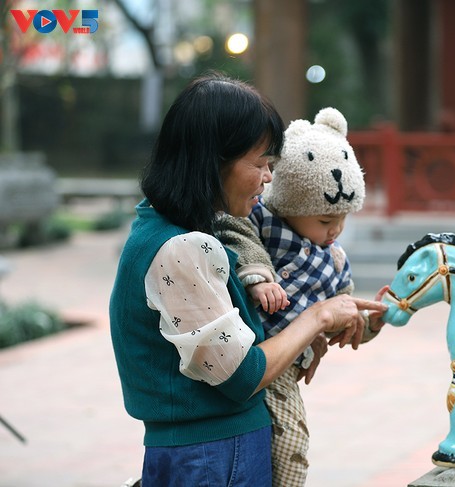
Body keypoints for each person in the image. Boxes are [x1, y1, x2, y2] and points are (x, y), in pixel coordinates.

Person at [108, 72, 388, 487]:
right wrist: (317, 317)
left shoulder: (178, 231)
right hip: (214, 456)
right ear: (212, 161)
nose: (269, 178)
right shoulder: (180, 249)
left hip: (215, 452)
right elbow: (241, 375)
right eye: (259, 164)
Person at [215, 106, 381, 486]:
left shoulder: (335, 260)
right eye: (325, 220)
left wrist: (372, 320)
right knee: (279, 438)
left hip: (285, 367)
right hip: (253, 354)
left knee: (293, 442)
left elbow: (344, 312)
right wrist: (257, 275)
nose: (335, 230)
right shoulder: (262, 220)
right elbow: (234, 231)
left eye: (342, 219)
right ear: (290, 202)